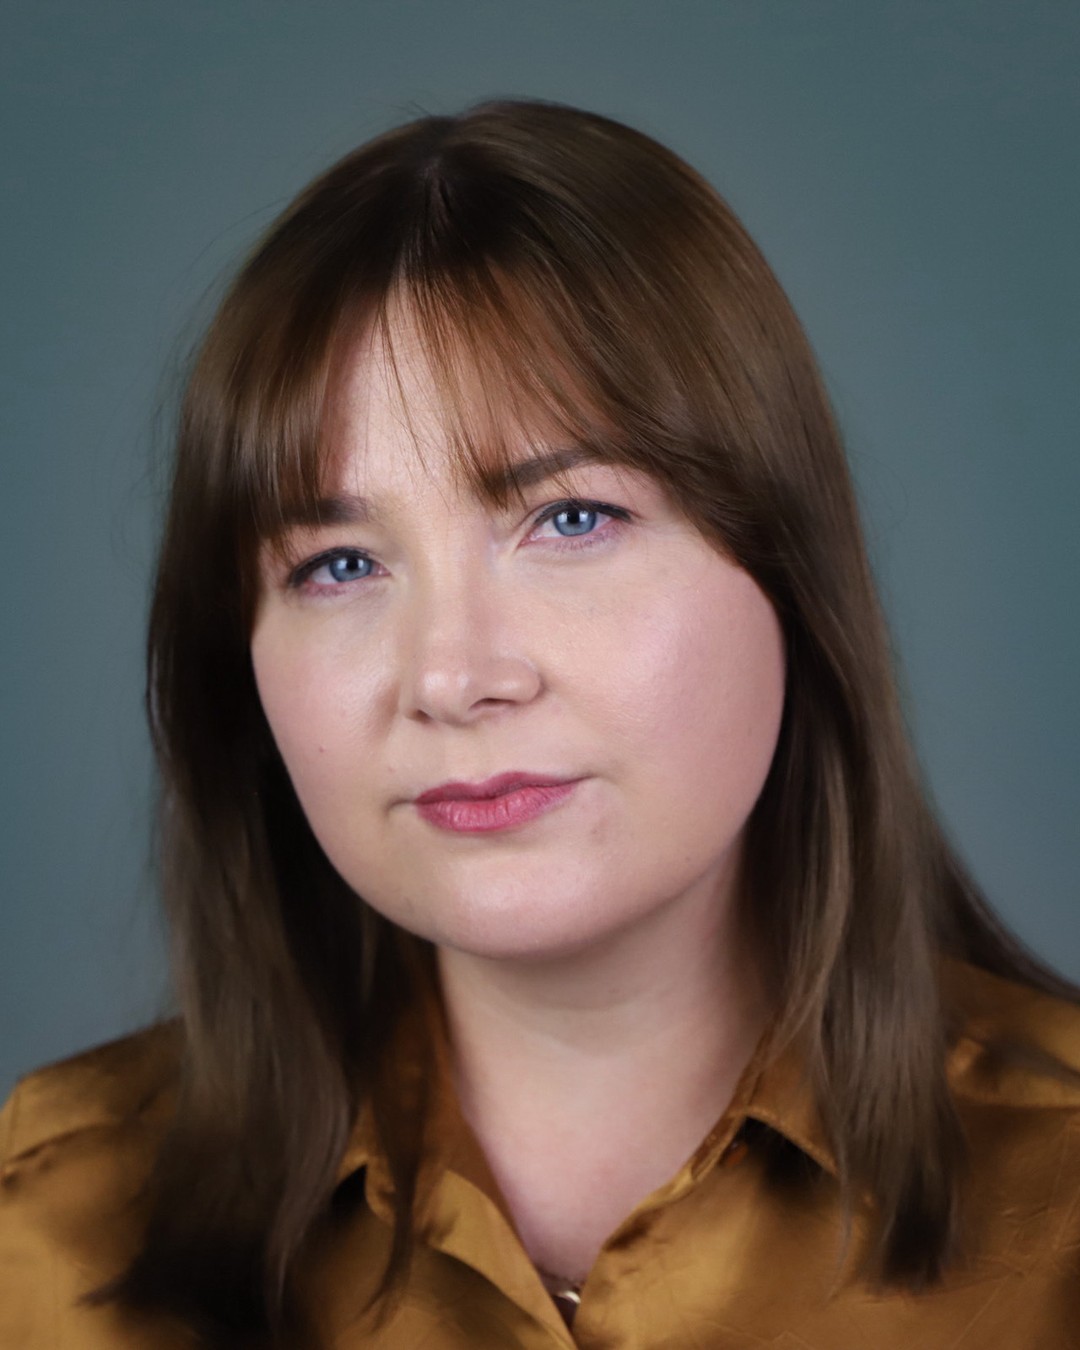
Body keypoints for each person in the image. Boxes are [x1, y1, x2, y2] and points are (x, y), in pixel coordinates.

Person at [1, 98, 1078, 1350]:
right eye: (340, 565)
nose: (452, 677)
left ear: (791, 572)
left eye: (571, 519)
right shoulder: (46, 1238)